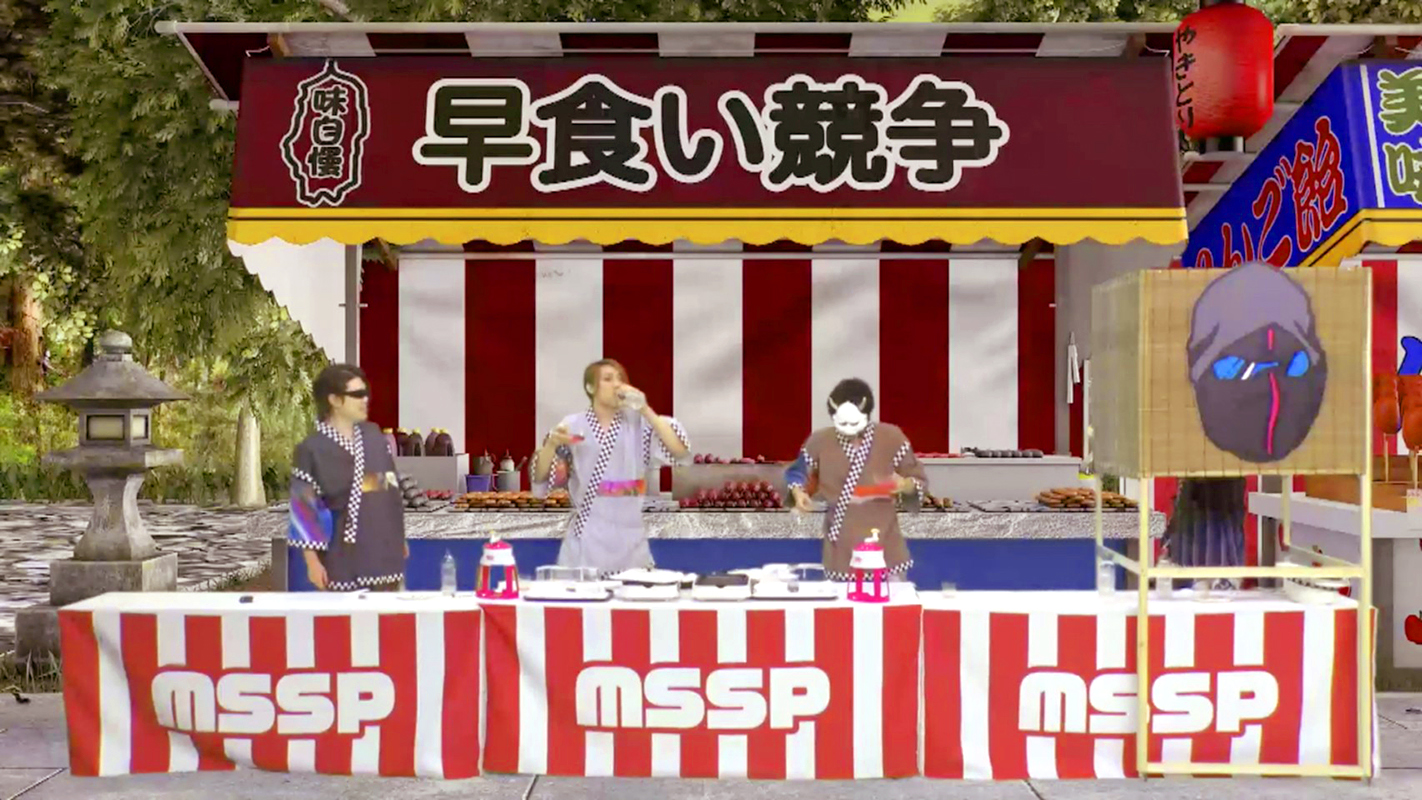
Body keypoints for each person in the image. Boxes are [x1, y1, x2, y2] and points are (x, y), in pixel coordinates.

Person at [531, 359, 690, 576]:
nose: (617, 384)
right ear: (590, 387)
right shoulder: (572, 425)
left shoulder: (640, 424)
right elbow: (541, 481)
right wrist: (551, 445)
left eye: (620, 379)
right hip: (587, 540)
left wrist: (645, 409)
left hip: (630, 541)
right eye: (608, 379)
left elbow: (680, 452)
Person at [784, 378, 927, 581]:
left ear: (867, 415)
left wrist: (906, 485)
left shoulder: (892, 438)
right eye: (842, 423)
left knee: (890, 600)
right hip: (841, 547)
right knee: (841, 601)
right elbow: (797, 472)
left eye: (855, 423)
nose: (848, 428)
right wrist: (798, 492)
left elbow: (917, 477)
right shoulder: (819, 441)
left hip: (885, 546)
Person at [288, 364, 408, 591]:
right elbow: (305, 510)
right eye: (357, 394)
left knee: (388, 612)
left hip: (384, 551)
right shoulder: (311, 449)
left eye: (366, 393)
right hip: (341, 555)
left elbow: (389, 490)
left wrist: (398, 536)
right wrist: (312, 563)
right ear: (334, 399)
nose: (365, 400)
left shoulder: (373, 436)